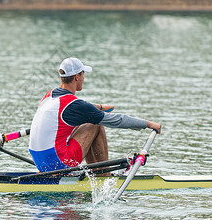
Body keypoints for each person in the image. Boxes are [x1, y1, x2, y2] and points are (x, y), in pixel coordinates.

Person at [29, 57, 162, 173]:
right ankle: (103, 176)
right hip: (58, 163)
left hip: (39, 161)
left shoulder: (49, 96)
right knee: (95, 124)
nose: (83, 78)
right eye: (83, 74)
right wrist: (149, 124)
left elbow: (80, 109)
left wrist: (99, 107)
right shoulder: (74, 105)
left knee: (85, 121)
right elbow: (117, 121)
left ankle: (93, 172)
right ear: (77, 76)